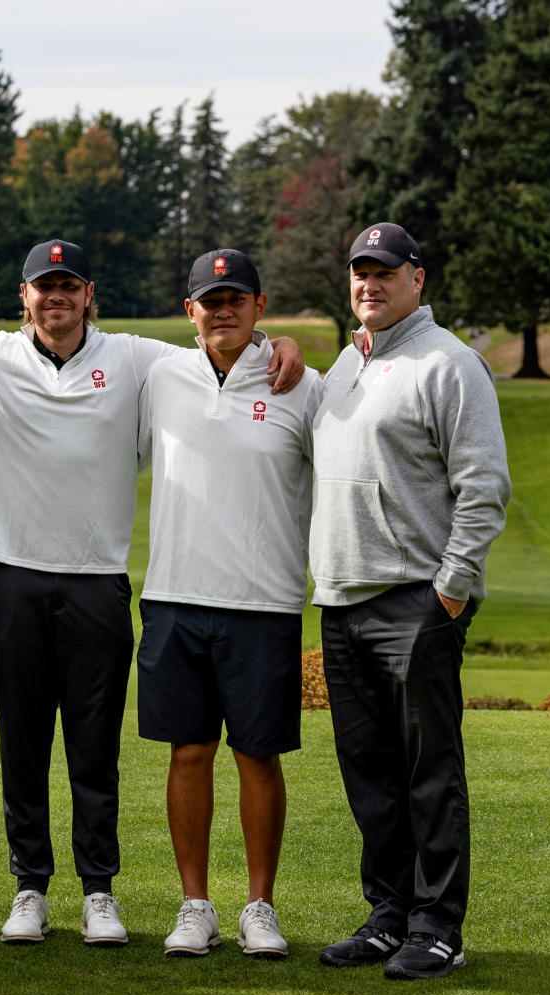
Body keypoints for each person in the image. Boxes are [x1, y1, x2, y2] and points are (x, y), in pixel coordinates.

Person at [0, 239, 308, 947]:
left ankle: (98, 889)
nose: (57, 298)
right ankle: (30, 887)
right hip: (14, 575)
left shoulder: (137, 359)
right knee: (22, 745)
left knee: (94, 749)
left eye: (69, 286)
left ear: (89, 294)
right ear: (25, 297)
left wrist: (274, 337)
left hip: (98, 579)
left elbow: (217, 344)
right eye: (45, 287)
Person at [311, 223, 510, 980]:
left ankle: (437, 927)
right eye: (360, 273)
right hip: (342, 602)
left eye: (385, 273)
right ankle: (389, 916)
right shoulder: (343, 367)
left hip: (413, 602)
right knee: (371, 776)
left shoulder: (450, 364)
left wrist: (450, 593)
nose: (370, 285)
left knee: (429, 774)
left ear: (416, 280)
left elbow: (483, 488)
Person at [137, 250, 322, 959]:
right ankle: (195, 905)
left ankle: (259, 906)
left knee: (258, 757)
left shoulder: (302, 385)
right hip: (176, 598)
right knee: (188, 753)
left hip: (264, 601)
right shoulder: (161, 375)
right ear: (190, 311)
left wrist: (295, 349)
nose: (222, 310)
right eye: (209, 300)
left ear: (259, 305)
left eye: (235, 298)